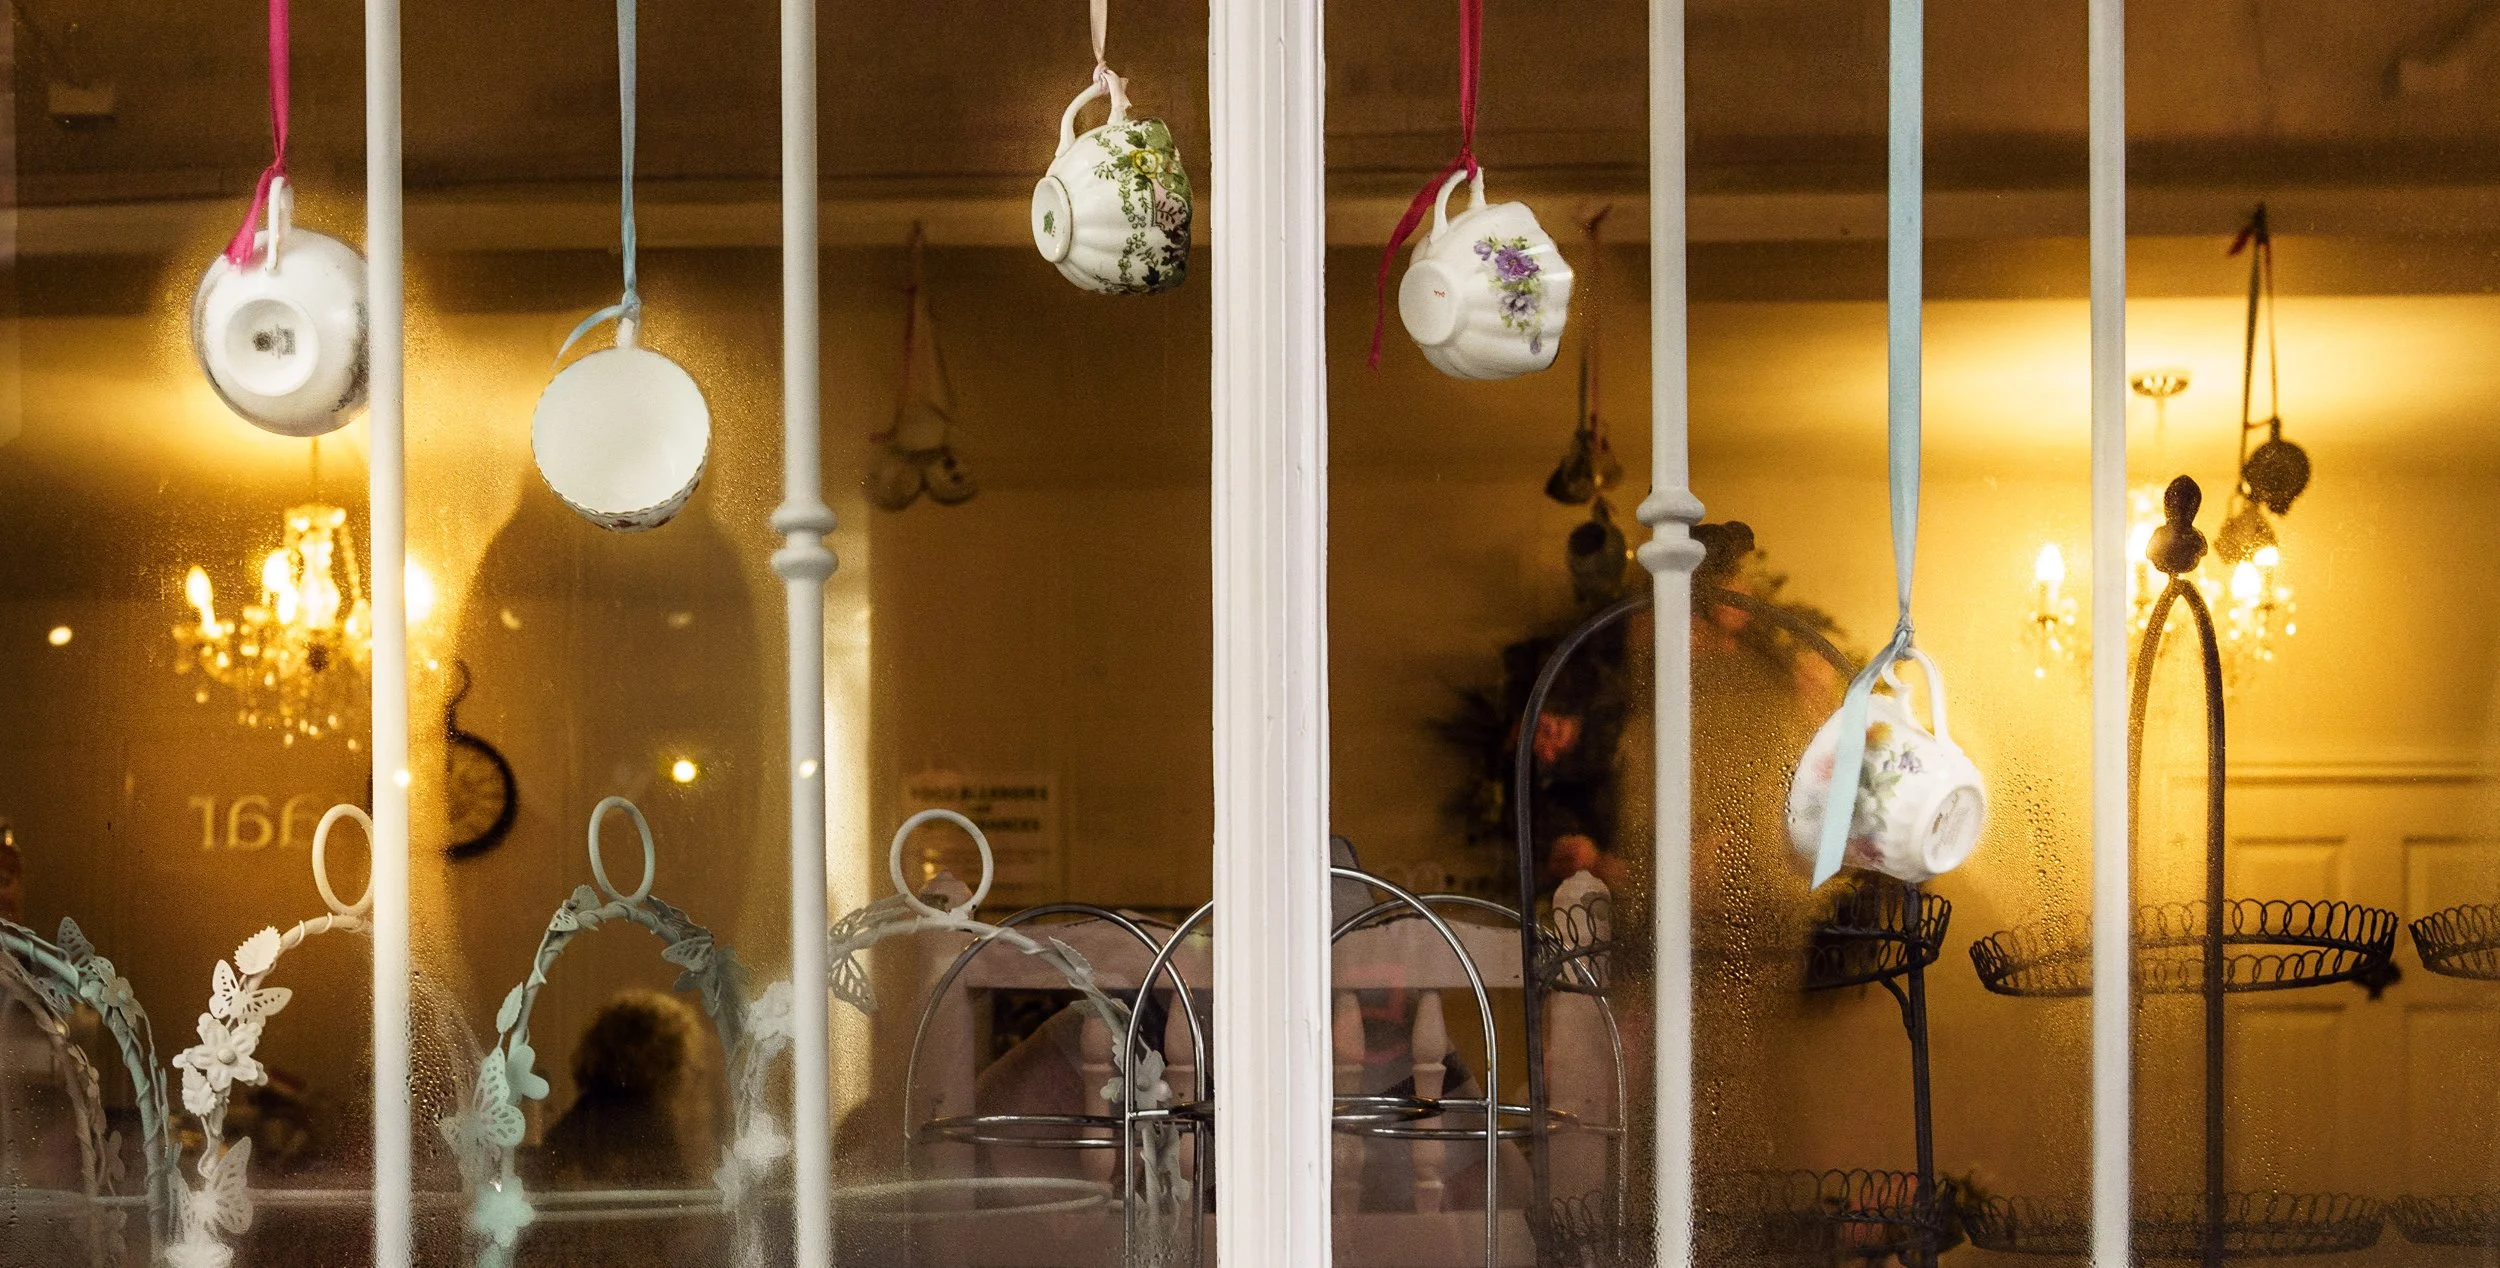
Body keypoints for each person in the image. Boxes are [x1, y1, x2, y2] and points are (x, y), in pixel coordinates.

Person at [537, 990, 701, 1188]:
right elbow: (679, 1200)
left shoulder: (586, 1112)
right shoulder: (648, 1120)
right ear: (661, 1058)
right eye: (680, 1057)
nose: (690, 1068)